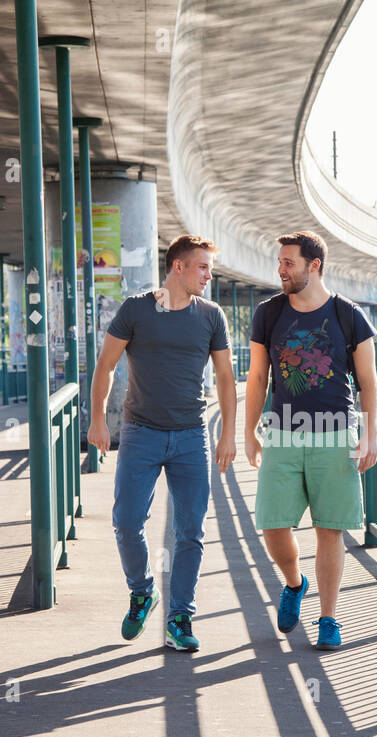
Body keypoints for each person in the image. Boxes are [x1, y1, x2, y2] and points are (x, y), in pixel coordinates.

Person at [87, 235, 237, 652]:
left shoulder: (211, 316)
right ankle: (142, 592)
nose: (209, 275)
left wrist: (227, 432)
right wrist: (99, 419)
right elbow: (107, 364)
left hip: (192, 434)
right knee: (127, 521)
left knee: (191, 531)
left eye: (210, 268)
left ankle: (180, 617)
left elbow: (225, 377)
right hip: (141, 432)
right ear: (179, 267)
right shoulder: (137, 310)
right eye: (203, 267)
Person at [244, 230, 377, 650]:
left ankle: (328, 618)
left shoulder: (349, 316)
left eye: (288, 263)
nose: (280, 270)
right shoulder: (268, 314)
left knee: (329, 529)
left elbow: (368, 383)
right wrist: (248, 431)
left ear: (313, 265)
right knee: (271, 523)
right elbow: (257, 377)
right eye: (280, 262)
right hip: (283, 433)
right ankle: (293, 582)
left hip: (336, 434)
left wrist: (369, 435)